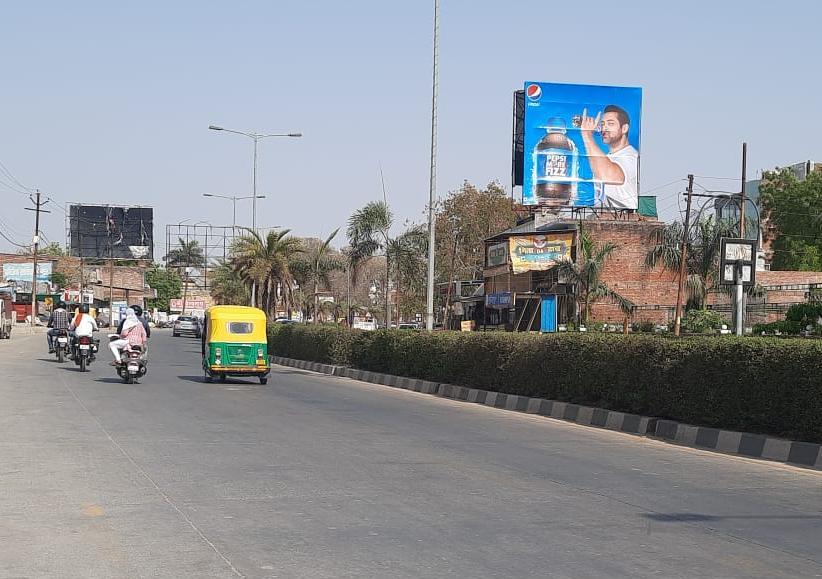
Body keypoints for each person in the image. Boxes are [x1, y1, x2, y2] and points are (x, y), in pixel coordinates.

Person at [579, 105, 639, 210]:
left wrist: (587, 135)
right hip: (601, 218)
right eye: (602, 124)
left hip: (622, 218)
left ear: (624, 128)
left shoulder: (631, 156)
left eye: (611, 124)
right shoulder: (605, 159)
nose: (604, 128)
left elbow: (607, 175)